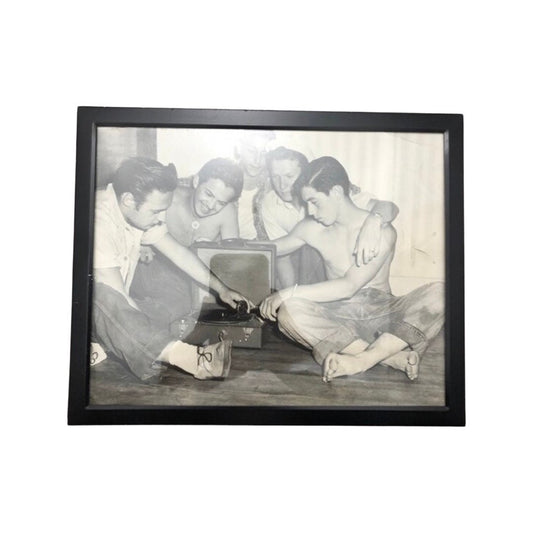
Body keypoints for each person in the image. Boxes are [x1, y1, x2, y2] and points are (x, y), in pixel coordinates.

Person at [258, 156, 444, 382]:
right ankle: (389, 357)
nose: (309, 210)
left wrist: (287, 291)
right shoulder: (311, 228)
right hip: (338, 315)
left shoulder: (381, 232)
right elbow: (272, 248)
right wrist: (223, 245)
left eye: (314, 201)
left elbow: (349, 286)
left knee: (442, 293)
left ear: (336, 192)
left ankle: (362, 360)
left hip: (383, 315)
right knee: (288, 312)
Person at [92, 157, 251, 382]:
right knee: (104, 296)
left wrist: (221, 289)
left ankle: (123, 345)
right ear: (128, 200)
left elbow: (178, 253)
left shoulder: (133, 211)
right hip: (88, 311)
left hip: (106, 315)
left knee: (176, 302)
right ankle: (192, 359)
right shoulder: (97, 217)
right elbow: (115, 294)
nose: (160, 219)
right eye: (156, 212)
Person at [259, 146, 400, 288]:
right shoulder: (270, 203)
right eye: (275, 177)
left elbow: (388, 206)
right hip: (310, 263)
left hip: (343, 278)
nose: (282, 185)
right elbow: (279, 252)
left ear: (305, 174)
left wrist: (373, 222)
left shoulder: (339, 197)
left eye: (289, 176)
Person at [130, 157, 243, 324]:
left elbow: (230, 262)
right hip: (153, 267)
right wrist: (142, 244)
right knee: (178, 305)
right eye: (208, 194)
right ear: (196, 181)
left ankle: (137, 316)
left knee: (184, 305)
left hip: (194, 275)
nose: (211, 205)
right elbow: (142, 228)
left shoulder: (228, 212)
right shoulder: (169, 198)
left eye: (220, 202)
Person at [232, 130, 275, 239]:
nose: (257, 160)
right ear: (238, 149)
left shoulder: (275, 182)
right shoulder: (221, 174)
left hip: (259, 248)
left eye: (264, 153)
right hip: (221, 246)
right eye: (251, 151)